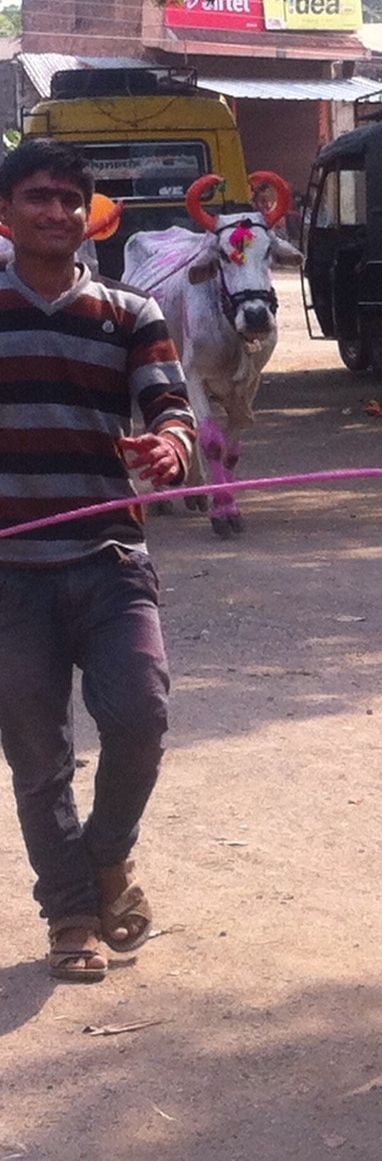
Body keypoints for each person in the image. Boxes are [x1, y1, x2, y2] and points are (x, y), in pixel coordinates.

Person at [0, 138, 196, 983]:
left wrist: (169, 450)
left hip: (110, 555)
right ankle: (72, 913)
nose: (56, 212)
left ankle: (107, 856)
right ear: (5, 213)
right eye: (38, 197)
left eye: (70, 200)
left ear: (90, 215)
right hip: (10, 571)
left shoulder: (130, 312)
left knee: (140, 719)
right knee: (39, 759)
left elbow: (173, 409)